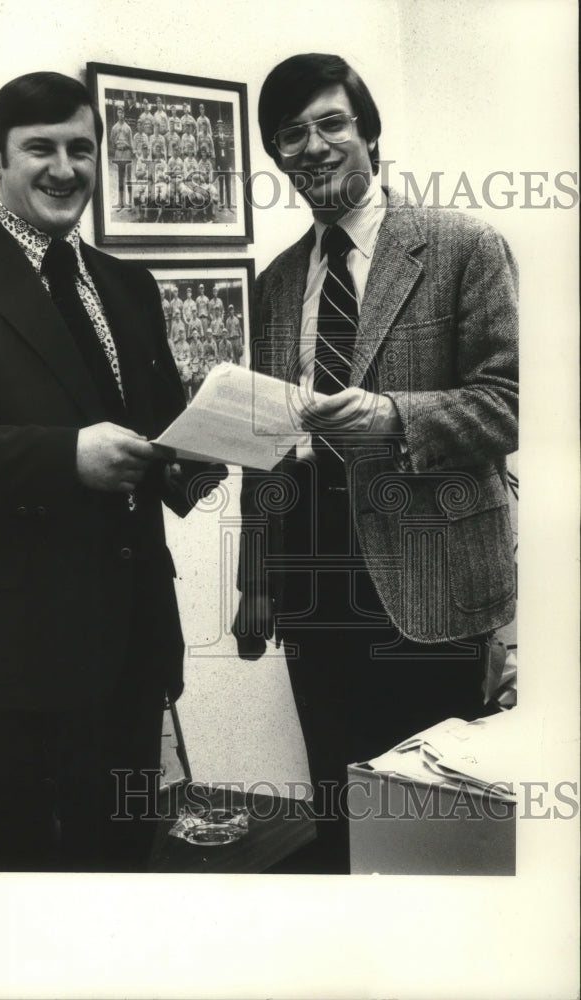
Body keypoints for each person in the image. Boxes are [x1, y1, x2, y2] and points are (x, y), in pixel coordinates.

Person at [0, 71, 223, 873]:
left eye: (81, 149)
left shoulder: (129, 285)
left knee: (116, 856)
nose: (65, 168)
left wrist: (206, 454)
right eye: (41, 149)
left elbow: (155, 432)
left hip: (133, 635)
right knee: (11, 862)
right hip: (10, 648)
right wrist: (67, 457)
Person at [232, 53, 518, 874]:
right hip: (314, 581)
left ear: (369, 133)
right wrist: (255, 580)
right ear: (279, 157)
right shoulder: (281, 280)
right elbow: (265, 445)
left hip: (431, 578)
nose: (313, 147)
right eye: (291, 135)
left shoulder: (462, 244)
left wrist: (393, 418)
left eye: (331, 124)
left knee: (430, 824)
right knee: (339, 805)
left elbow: (510, 401)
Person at [109, 103, 132, 209]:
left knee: (128, 177)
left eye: (122, 112)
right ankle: (120, 201)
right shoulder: (114, 127)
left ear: (124, 114)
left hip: (126, 152)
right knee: (120, 177)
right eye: (119, 112)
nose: (120, 114)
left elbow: (131, 144)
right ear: (117, 114)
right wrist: (118, 148)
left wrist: (127, 148)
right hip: (118, 152)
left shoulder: (128, 128)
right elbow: (112, 142)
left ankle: (128, 201)